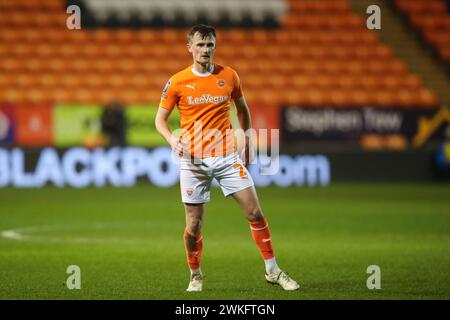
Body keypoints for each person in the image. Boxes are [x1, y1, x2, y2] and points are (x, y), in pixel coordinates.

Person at [155, 24, 299, 292]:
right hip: (193, 161)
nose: (205, 49)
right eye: (200, 44)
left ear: (215, 46)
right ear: (189, 47)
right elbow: (160, 120)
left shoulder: (229, 75)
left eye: (210, 44)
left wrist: (247, 138)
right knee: (194, 225)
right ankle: (196, 274)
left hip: (226, 155)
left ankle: (273, 271)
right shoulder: (177, 82)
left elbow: (242, 109)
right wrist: (172, 139)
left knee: (255, 212)